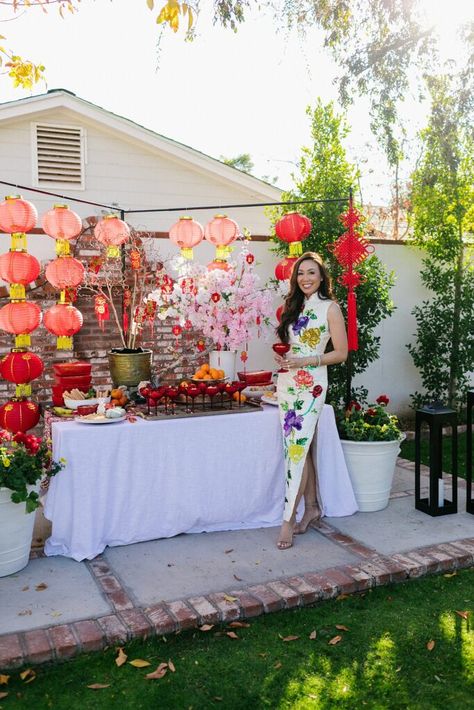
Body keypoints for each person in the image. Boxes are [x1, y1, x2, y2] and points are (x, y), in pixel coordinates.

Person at [274, 251, 348, 550]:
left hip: (312, 385)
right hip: (287, 383)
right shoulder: (291, 307)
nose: (305, 278)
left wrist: (307, 360)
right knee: (300, 449)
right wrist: (283, 356)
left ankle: (287, 520)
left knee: (296, 450)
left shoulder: (330, 308)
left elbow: (341, 353)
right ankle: (312, 507)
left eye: (311, 273)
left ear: (321, 277)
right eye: (301, 273)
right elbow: (289, 347)